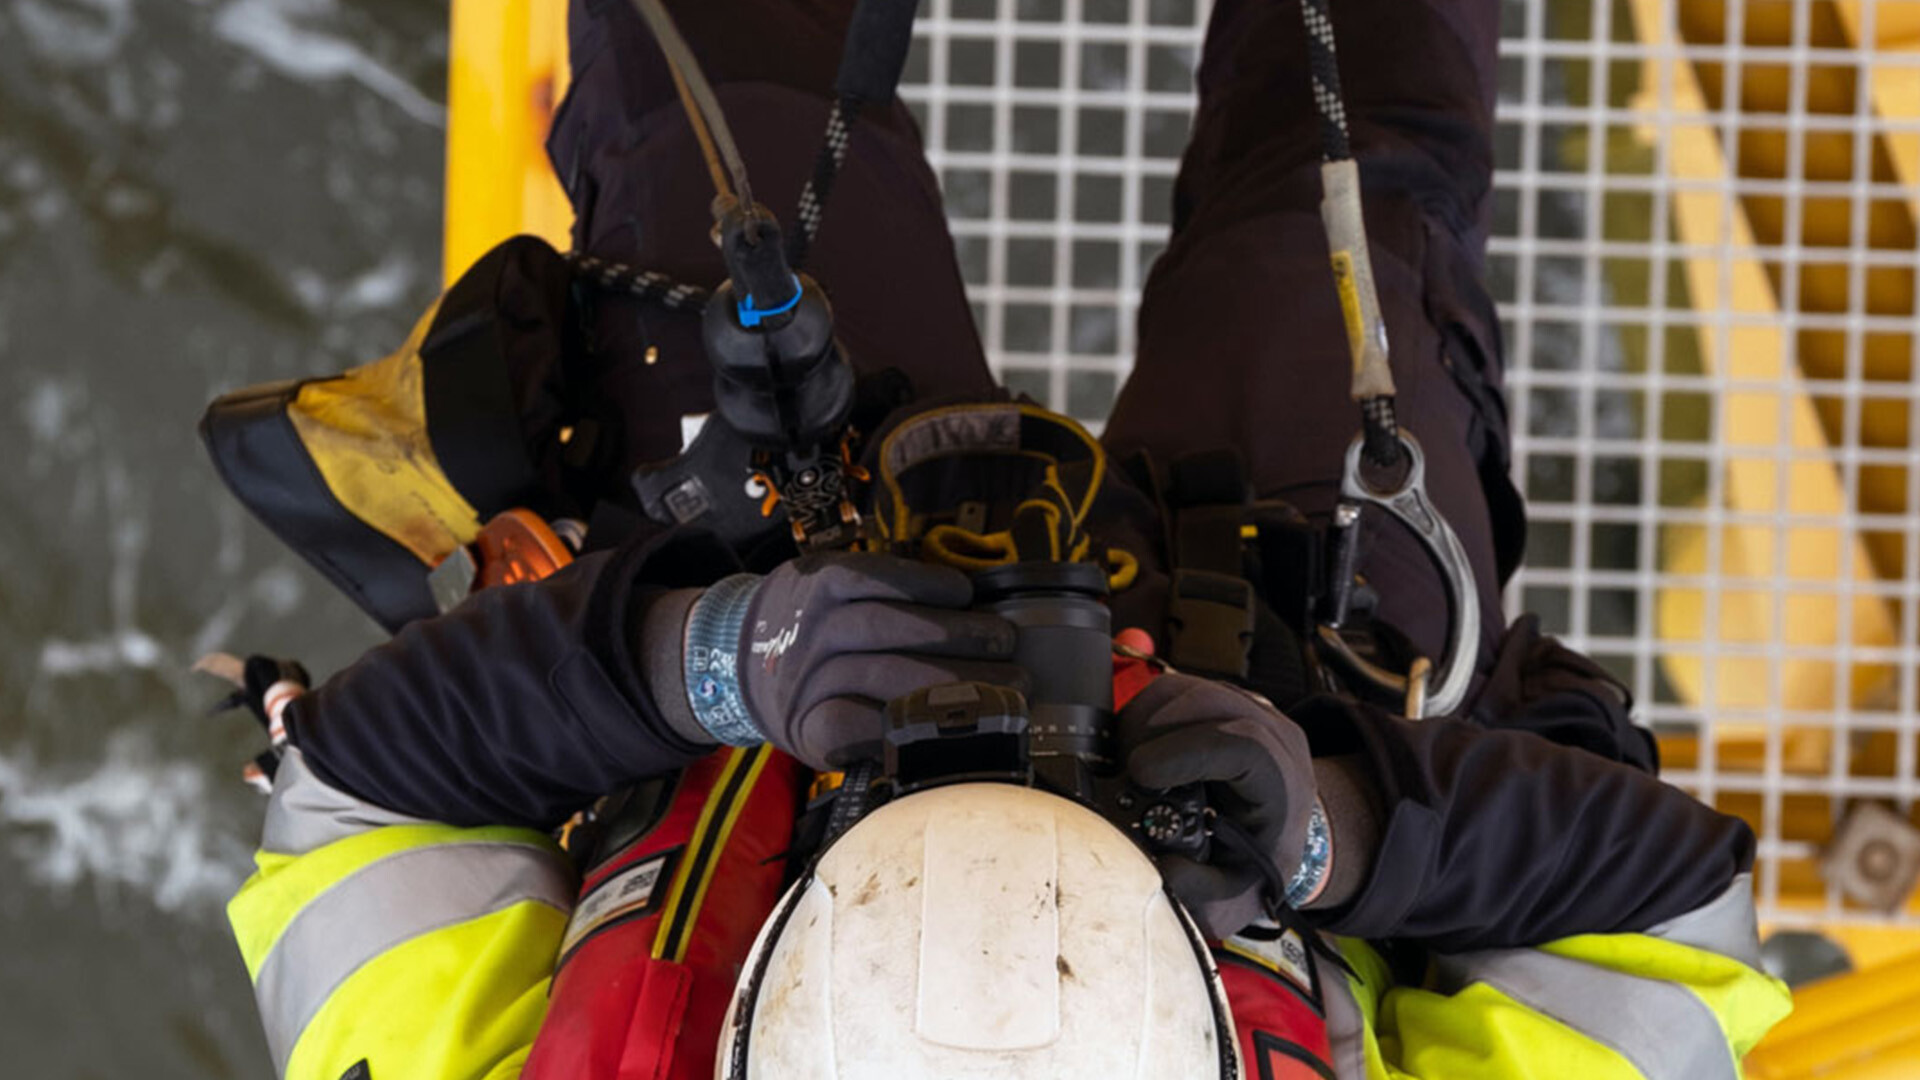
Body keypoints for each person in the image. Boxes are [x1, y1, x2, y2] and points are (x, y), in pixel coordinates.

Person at [218, 0, 1792, 1077]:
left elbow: (353, 803)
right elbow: (1676, 919)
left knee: (729, 76)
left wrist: (702, 657)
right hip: (1295, 659)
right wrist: (1338, 825)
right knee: (1358, 159)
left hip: (773, 588)